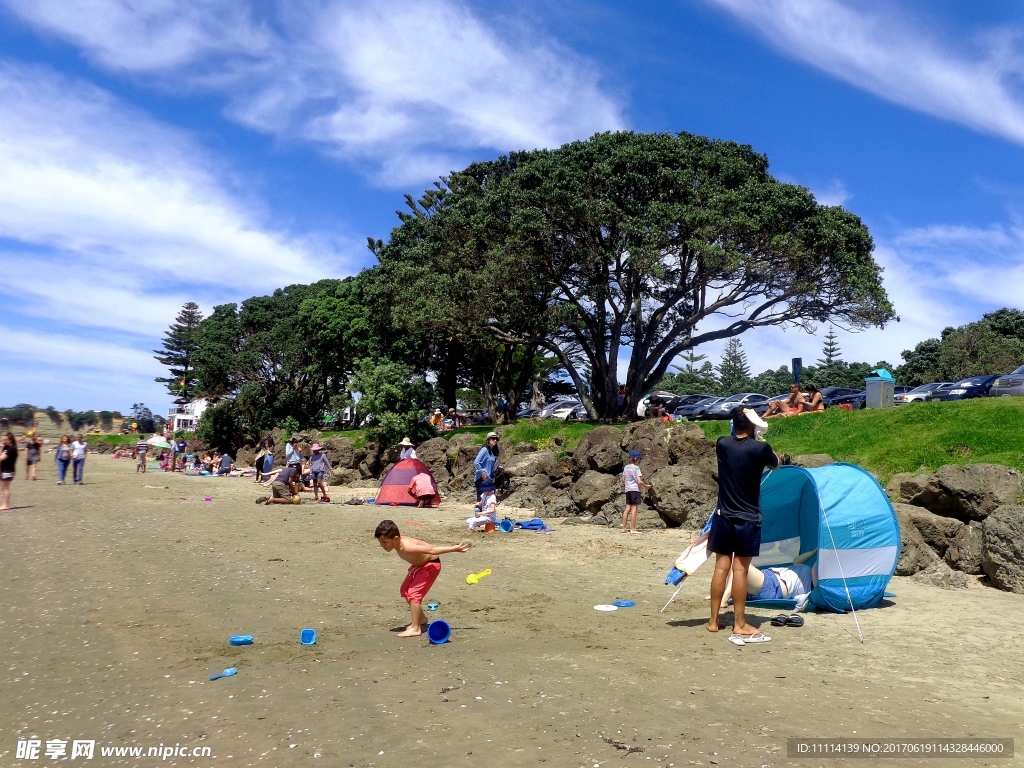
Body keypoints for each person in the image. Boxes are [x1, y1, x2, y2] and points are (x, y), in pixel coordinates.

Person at [708, 406, 780, 639]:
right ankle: (739, 624)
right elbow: (775, 463)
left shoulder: (722, 444)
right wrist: (759, 436)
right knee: (740, 570)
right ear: (751, 424)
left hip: (723, 515)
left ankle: (713, 621)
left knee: (721, 567)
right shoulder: (760, 448)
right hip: (747, 518)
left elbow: (735, 440)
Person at [374, 519, 469, 637]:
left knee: (414, 594)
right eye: (380, 542)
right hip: (419, 566)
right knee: (405, 590)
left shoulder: (407, 547)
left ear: (396, 539)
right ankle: (421, 619)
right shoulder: (397, 541)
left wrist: (454, 549)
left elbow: (432, 550)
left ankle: (415, 628)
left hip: (430, 566)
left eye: (384, 542)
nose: (382, 545)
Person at [717, 551, 817, 610]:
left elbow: (815, 568)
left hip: (773, 586)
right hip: (768, 580)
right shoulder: (808, 570)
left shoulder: (816, 585)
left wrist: (822, 553)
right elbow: (796, 561)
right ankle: (724, 593)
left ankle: (724, 597)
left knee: (739, 562)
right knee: (736, 562)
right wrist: (814, 552)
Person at [620, 450, 650, 534]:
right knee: (634, 509)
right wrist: (646, 487)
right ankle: (633, 529)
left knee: (627, 509)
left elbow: (623, 479)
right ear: (636, 459)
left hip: (628, 490)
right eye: (639, 459)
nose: (640, 461)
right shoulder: (636, 468)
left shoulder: (626, 467)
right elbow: (639, 481)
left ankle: (624, 528)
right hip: (635, 490)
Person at [473, 432, 499, 500]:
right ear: (488, 440)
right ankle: (478, 510)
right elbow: (476, 462)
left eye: (496, 439)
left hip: (488, 479)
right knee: (481, 501)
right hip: (481, 479)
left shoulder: (492, 452)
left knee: (487, 501)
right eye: (493, 438)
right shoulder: (484, 450)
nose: (495, 440)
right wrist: (482, 473)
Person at [1, 432, 17, 510]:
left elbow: (1, 458)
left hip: (8, 470)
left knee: (5, 488)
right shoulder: (6, 448)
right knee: (3, 488)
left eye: (5, 439)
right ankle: (4, 504)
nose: (3, 441)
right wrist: (2, 448)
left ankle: (6, 505)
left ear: (10, 439)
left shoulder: (12, 449)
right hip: (4, 470)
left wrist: (1, 448)